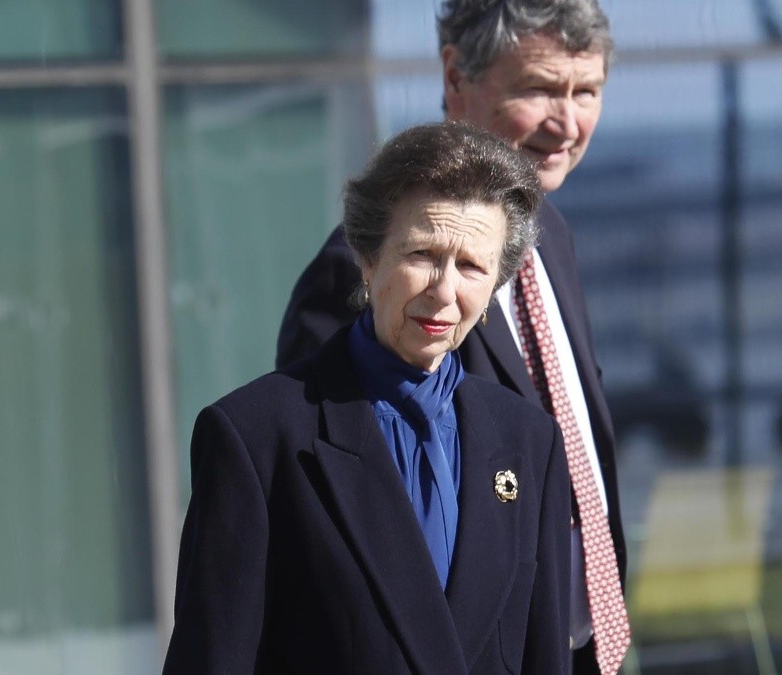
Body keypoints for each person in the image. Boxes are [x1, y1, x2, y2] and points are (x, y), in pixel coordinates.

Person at [274, 1, 630, 672]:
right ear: (455, 76)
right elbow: (345, 537)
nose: (568, 122)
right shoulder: (356, 277)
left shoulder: (550, 237)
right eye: (539, 89)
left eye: (587, 91)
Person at [163, 122, 570, 674]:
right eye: (422, 254)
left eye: (472, 266)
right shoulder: (257, 438)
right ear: (367, 255)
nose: (444, 291)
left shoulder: (527, 440)